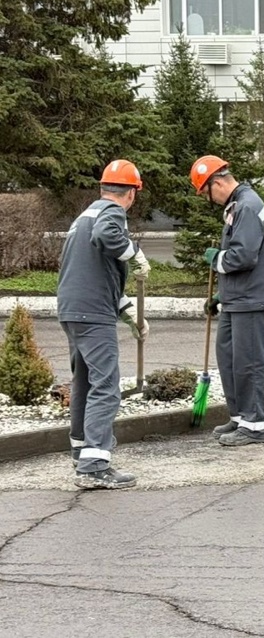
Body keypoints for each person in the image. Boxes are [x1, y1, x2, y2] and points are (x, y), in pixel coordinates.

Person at [57, 159, 150, 490]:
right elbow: (107, 236)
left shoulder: (85, 215)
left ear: (103, 187)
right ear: (132, 193)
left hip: (73, 309)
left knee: (83, 382)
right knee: (106, 385)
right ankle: (95, 466)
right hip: (92, 313)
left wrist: (130, 316)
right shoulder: (111, 214)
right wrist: (134, 253)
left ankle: (82, 451)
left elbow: (97, 274)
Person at [190, 155, 264, 446]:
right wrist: (220, 296)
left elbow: (243, 256)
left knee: (249, 362)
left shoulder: (249, 206)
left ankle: (255, 426)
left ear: (217, 182)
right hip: (236, 298)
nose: (208, 199)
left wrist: (215, 258)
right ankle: (240, 417)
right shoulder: (237, 206)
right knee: (229, 359)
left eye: (206, 193)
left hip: (250, 299)